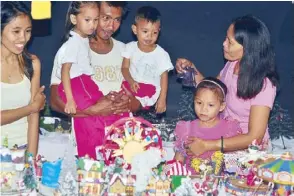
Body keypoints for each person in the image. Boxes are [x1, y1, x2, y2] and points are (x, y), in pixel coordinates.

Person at [176, 15, 279, 157]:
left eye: (230, 42)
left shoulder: (264, 85)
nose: (224, 44)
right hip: (222, 141)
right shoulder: (231, 65)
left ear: (248, 49)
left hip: (250, 154)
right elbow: (211, 91)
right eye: (226, 38)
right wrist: (190, 69)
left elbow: (255, 137)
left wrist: (207, 145)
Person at [50, 1, 141, 158]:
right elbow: (55, 100)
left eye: (117, 20)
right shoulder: (71, 50)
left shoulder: (126, 51)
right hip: (86, 143)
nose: (111, 26)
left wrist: (130, 104)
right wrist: (91, 111)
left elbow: (140, 98)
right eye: (105, 18)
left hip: (121, 143)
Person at [1, 2, 46, 157]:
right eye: (16, 31)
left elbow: (34, 118)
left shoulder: (32, 63)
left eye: (27, 31)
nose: (23, 38)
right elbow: (34, 109)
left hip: (22, 150)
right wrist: (31, 107)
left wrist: (30, 159)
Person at [174, 77, 242, 174]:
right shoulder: (187, 129)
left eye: (210, 105)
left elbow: (234, 161)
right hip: (191, 182)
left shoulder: (229, 129)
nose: (203, 109)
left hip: (220, 183)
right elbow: (178, 160)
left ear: (221, 106)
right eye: (199, 103)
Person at [121, 6, 174, 113]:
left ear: (159, 31)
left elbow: (164, 77)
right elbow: (124, 68)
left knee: (131, 105)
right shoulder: (129, 48)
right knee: (119, 100)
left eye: (154, 33)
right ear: (135, 29)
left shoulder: (161, 54)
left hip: (150, 91)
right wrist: (131, 81)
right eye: (145, 31)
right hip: (131, 86)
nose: (149, 36)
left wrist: (162, 99)